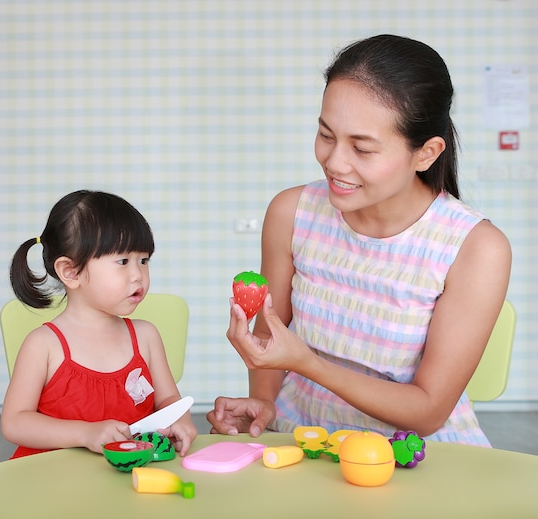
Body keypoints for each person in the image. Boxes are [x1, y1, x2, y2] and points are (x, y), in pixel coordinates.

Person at [207, 34, 511, 446]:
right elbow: (271, 339)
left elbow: (426, 412)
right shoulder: (290, 213)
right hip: (303, 440)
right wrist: (264, 402)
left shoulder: (475, 247)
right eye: (327, 135)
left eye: (362, 149)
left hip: (412, 457)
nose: (334, 162)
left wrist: (307, 363)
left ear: (426, 153)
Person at [1, 190, 197, 458]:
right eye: (123, 261)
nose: (137, 275)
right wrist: (85, 433)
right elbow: (14, 423)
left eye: (144, 261)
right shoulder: (44, 344)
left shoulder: (146, 336)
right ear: (71, 272)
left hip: (127, 473)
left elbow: (167, 400)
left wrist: (180, 419)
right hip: (52, 479)